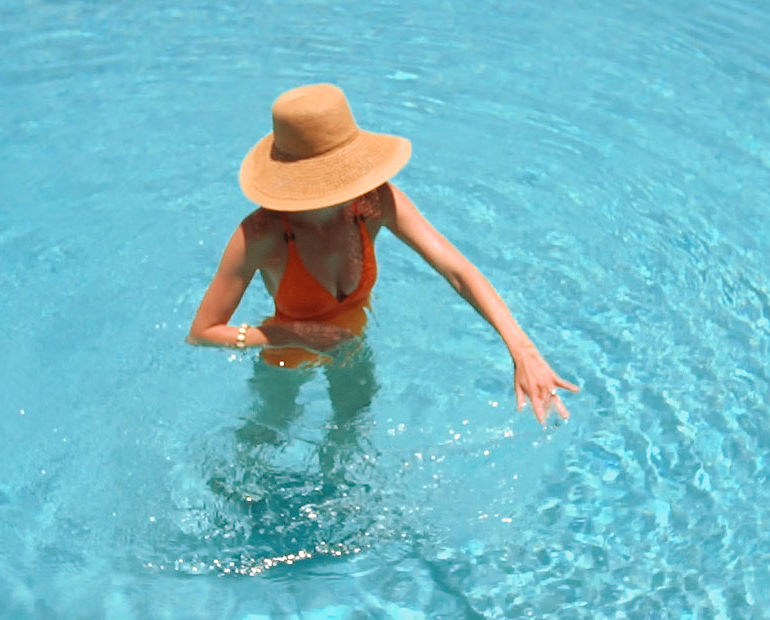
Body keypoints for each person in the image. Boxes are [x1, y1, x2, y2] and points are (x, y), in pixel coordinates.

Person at [187, 83, 578, 425]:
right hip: (283, 359)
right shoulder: (261, 234)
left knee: (348, 438)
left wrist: (522, 350)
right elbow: (202, 332)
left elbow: (457, 270)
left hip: (352, 348)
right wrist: (293, 334)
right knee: (265, 438)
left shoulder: (374, 203)